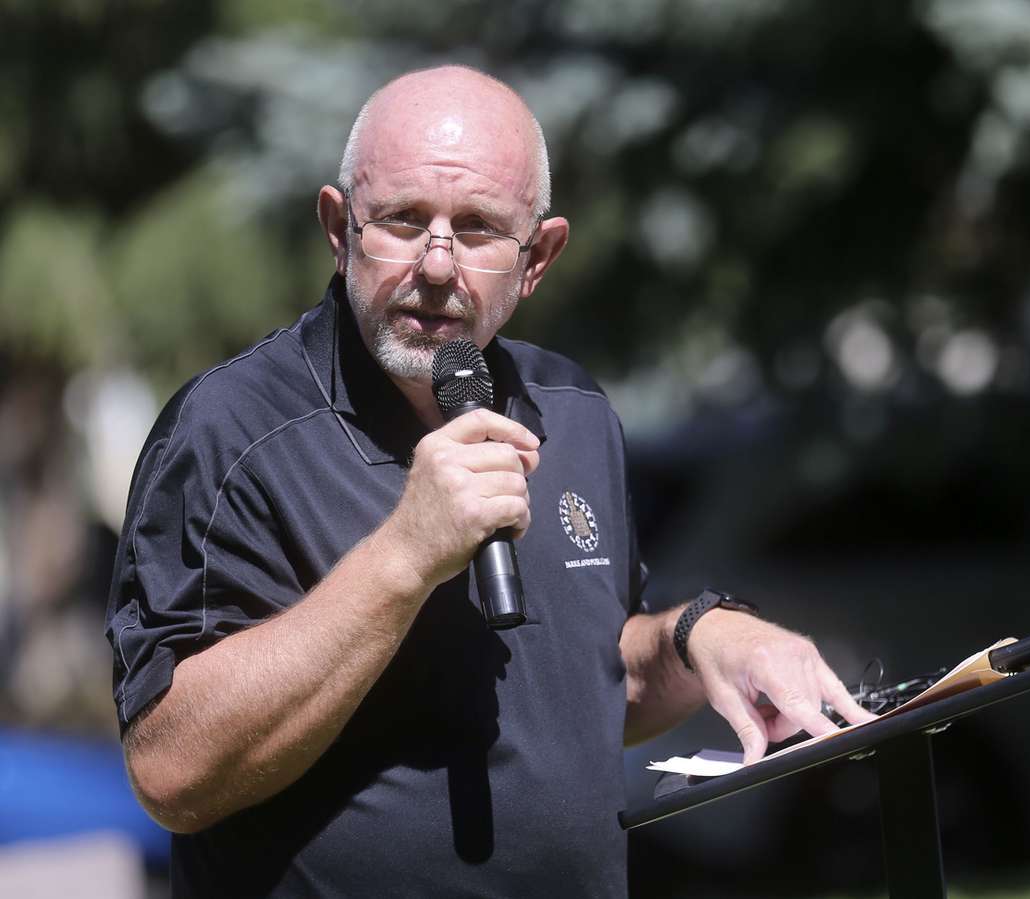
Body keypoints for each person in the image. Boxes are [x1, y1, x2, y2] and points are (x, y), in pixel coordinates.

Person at [104, 65, 872, 897]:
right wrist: (405, 554)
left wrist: (704, 635)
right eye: (402, 220)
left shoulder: (573, 410)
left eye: (476, 230)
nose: (438, 265)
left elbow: (587, 682)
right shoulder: (231, 429)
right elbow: (171, 771)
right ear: (338, 228)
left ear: (537, 257)